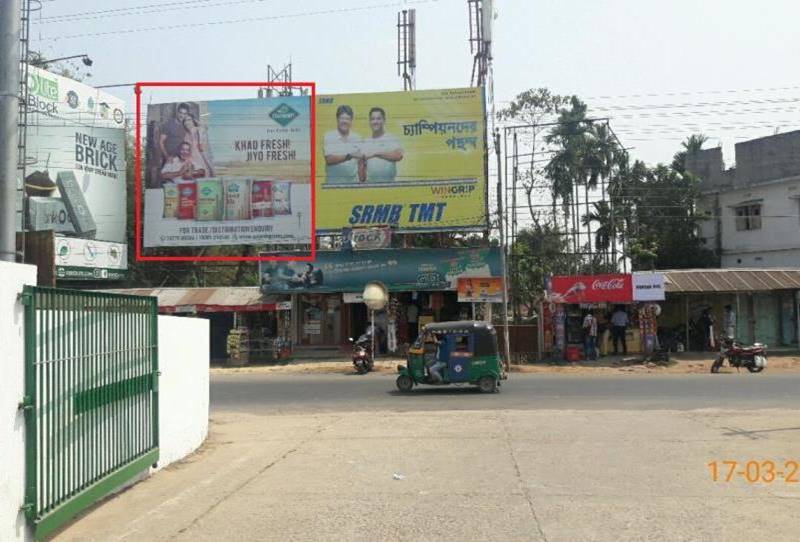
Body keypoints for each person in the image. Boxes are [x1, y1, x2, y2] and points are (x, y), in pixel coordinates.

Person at [358, 107, 403, 183]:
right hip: (370, 186)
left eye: (378, 119)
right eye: (372, 119)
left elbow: (398, 156)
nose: (375, 121)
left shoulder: (391, 138)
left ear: (384, 120)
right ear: (369, 122)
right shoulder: (365, 142)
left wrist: (376, 154)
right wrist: (361, 164)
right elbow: (362, 177)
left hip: (389, 185)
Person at [324, 105, 362, 185]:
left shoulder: (357, 138)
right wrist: (349, 156)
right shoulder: (329, 136)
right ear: (337, 119)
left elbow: (360, 163)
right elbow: (329, 159)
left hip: (353, 185)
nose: (345, 121)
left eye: (347, 119)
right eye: (342, 118)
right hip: (333, 186)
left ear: (351, 120)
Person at [182, 110, 214, 177]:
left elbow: (205, 127)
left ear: (193, 120)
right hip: (191, 159)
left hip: (201, 157)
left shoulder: (199, 130)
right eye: (185, 121)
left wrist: (196, 121)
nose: (186, 122)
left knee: (205, 175)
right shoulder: (186, 135)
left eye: (188, 120)